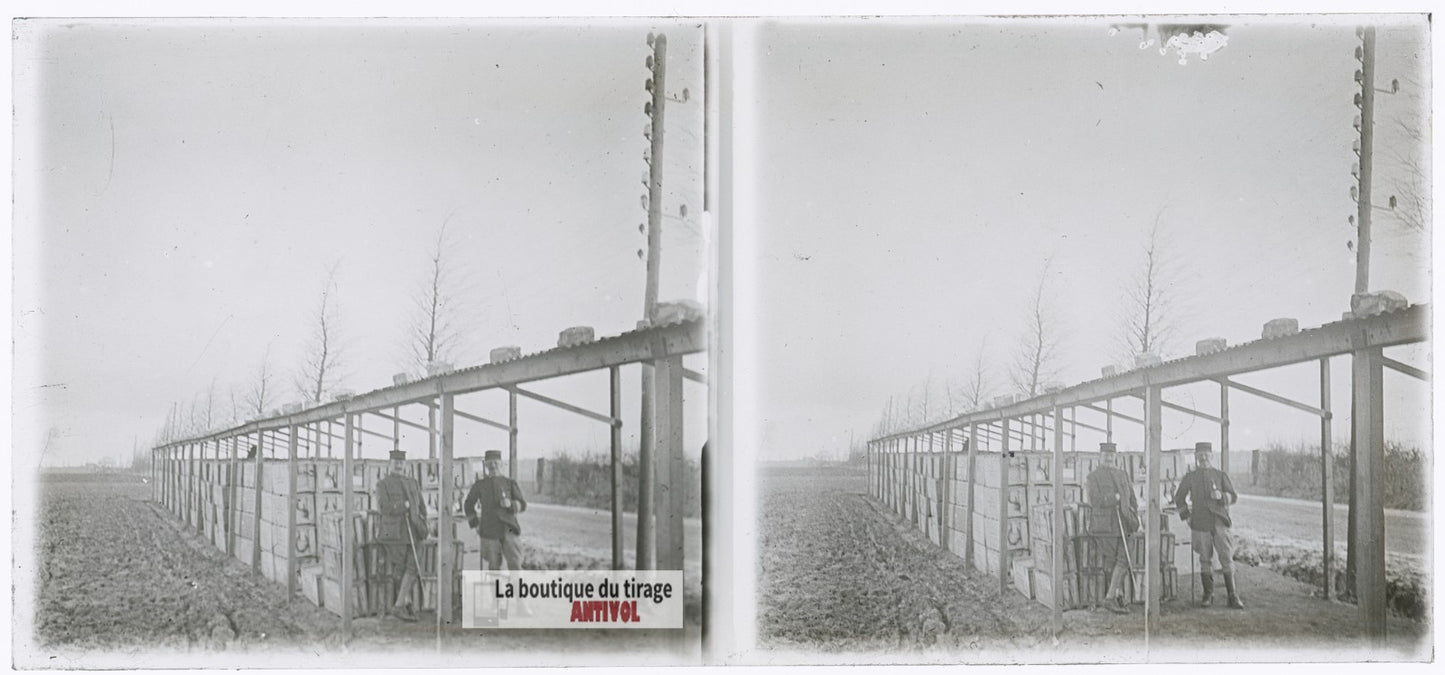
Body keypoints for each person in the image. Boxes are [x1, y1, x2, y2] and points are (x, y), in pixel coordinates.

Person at [1174, 441, 1244, 609]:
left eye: (1206, 455)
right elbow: (1179, 498)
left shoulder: (1220, 475)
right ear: (1196, 458)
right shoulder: (1190, 477)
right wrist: (1187, 517)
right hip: (1200, 523)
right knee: (1205, 559)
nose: (1203, 458)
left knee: (1227, 559)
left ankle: (1232, 596)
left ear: (1212, 456)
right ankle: (1208, 594)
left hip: (1220, 522)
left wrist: (1222, 496)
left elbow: (1234, 497)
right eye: (1200, 456)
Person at [1085, 442, 1139, 614]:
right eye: (1105, 455)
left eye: (1111, 455)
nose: (1108, 458)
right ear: (1099, 456)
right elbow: (1094, 500)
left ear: (1116, 456)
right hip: (1105, 525)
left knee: (1123, 558)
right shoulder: (1093, 477)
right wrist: (1112, 498)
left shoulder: (1122, 474)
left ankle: (1111, 597)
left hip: (1124, 522)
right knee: (1112, 560)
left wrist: (1133, 514)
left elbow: (1132, 497)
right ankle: (1114, 595)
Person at [376, 449, 427, 621]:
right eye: (395, 462)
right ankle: (405, 602)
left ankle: (399, 606)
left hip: (414, 530)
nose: (398, 465)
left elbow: (421, 506)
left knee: (412, 566)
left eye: (401, 462)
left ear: (405, 465)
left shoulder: (412, 482)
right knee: (400, 568)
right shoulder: (383, 484)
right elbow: (383, 508)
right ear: (389, 464)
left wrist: (423, 523)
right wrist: (402, 505)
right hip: (394, 532)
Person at [464, 449, 528, 571]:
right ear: (486, 466)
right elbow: (468, 504)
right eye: (489, 464)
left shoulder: (510, 483)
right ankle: (495, 590)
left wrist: (512, 504)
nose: (493, 466)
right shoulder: (480, 485)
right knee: (494, 567)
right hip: (489, 530)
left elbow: (523, 504)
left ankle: (516, 590)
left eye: (495, 463)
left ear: (501, 464)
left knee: (515, 564)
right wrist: (475, 524)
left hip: (509, 529)